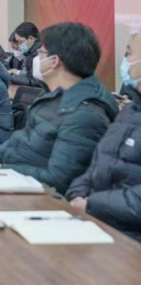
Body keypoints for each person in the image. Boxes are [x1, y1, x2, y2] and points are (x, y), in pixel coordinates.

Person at [0, 22, 118, 194]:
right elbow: (19, 139)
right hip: (14, 180)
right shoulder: (52, 95)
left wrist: (4, 170)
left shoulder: (85, 115)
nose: (36, 59)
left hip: (38, 195)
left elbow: (58, 180)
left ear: (54, 61)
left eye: (40, 53)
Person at [66, 33, 141, 242]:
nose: (125, 62)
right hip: (99, 222)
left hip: (128, 238)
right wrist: (77, 193)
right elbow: (98, 164)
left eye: (129, 54)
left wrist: (91, 204)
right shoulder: (130, 111)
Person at [9, 22, 43, 87]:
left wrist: (10, 77)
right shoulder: (31, 52)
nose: (19, 45)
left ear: (31, 39)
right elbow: (30, 75)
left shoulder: (40, 53)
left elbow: (36, 81)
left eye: (20, 42)